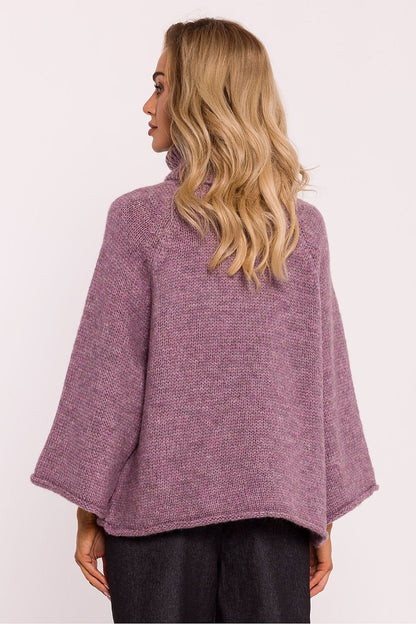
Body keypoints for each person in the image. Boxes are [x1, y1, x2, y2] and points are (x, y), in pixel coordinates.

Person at [30, 17, 379, 623]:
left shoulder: (139, 220)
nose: (148, 104)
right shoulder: (297, 229)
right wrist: (318, 509)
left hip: (156, 526)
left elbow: (110, 376)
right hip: (275, 518)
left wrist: (88, 504)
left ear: (198, 97)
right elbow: (321, 383)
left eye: (161, 85)